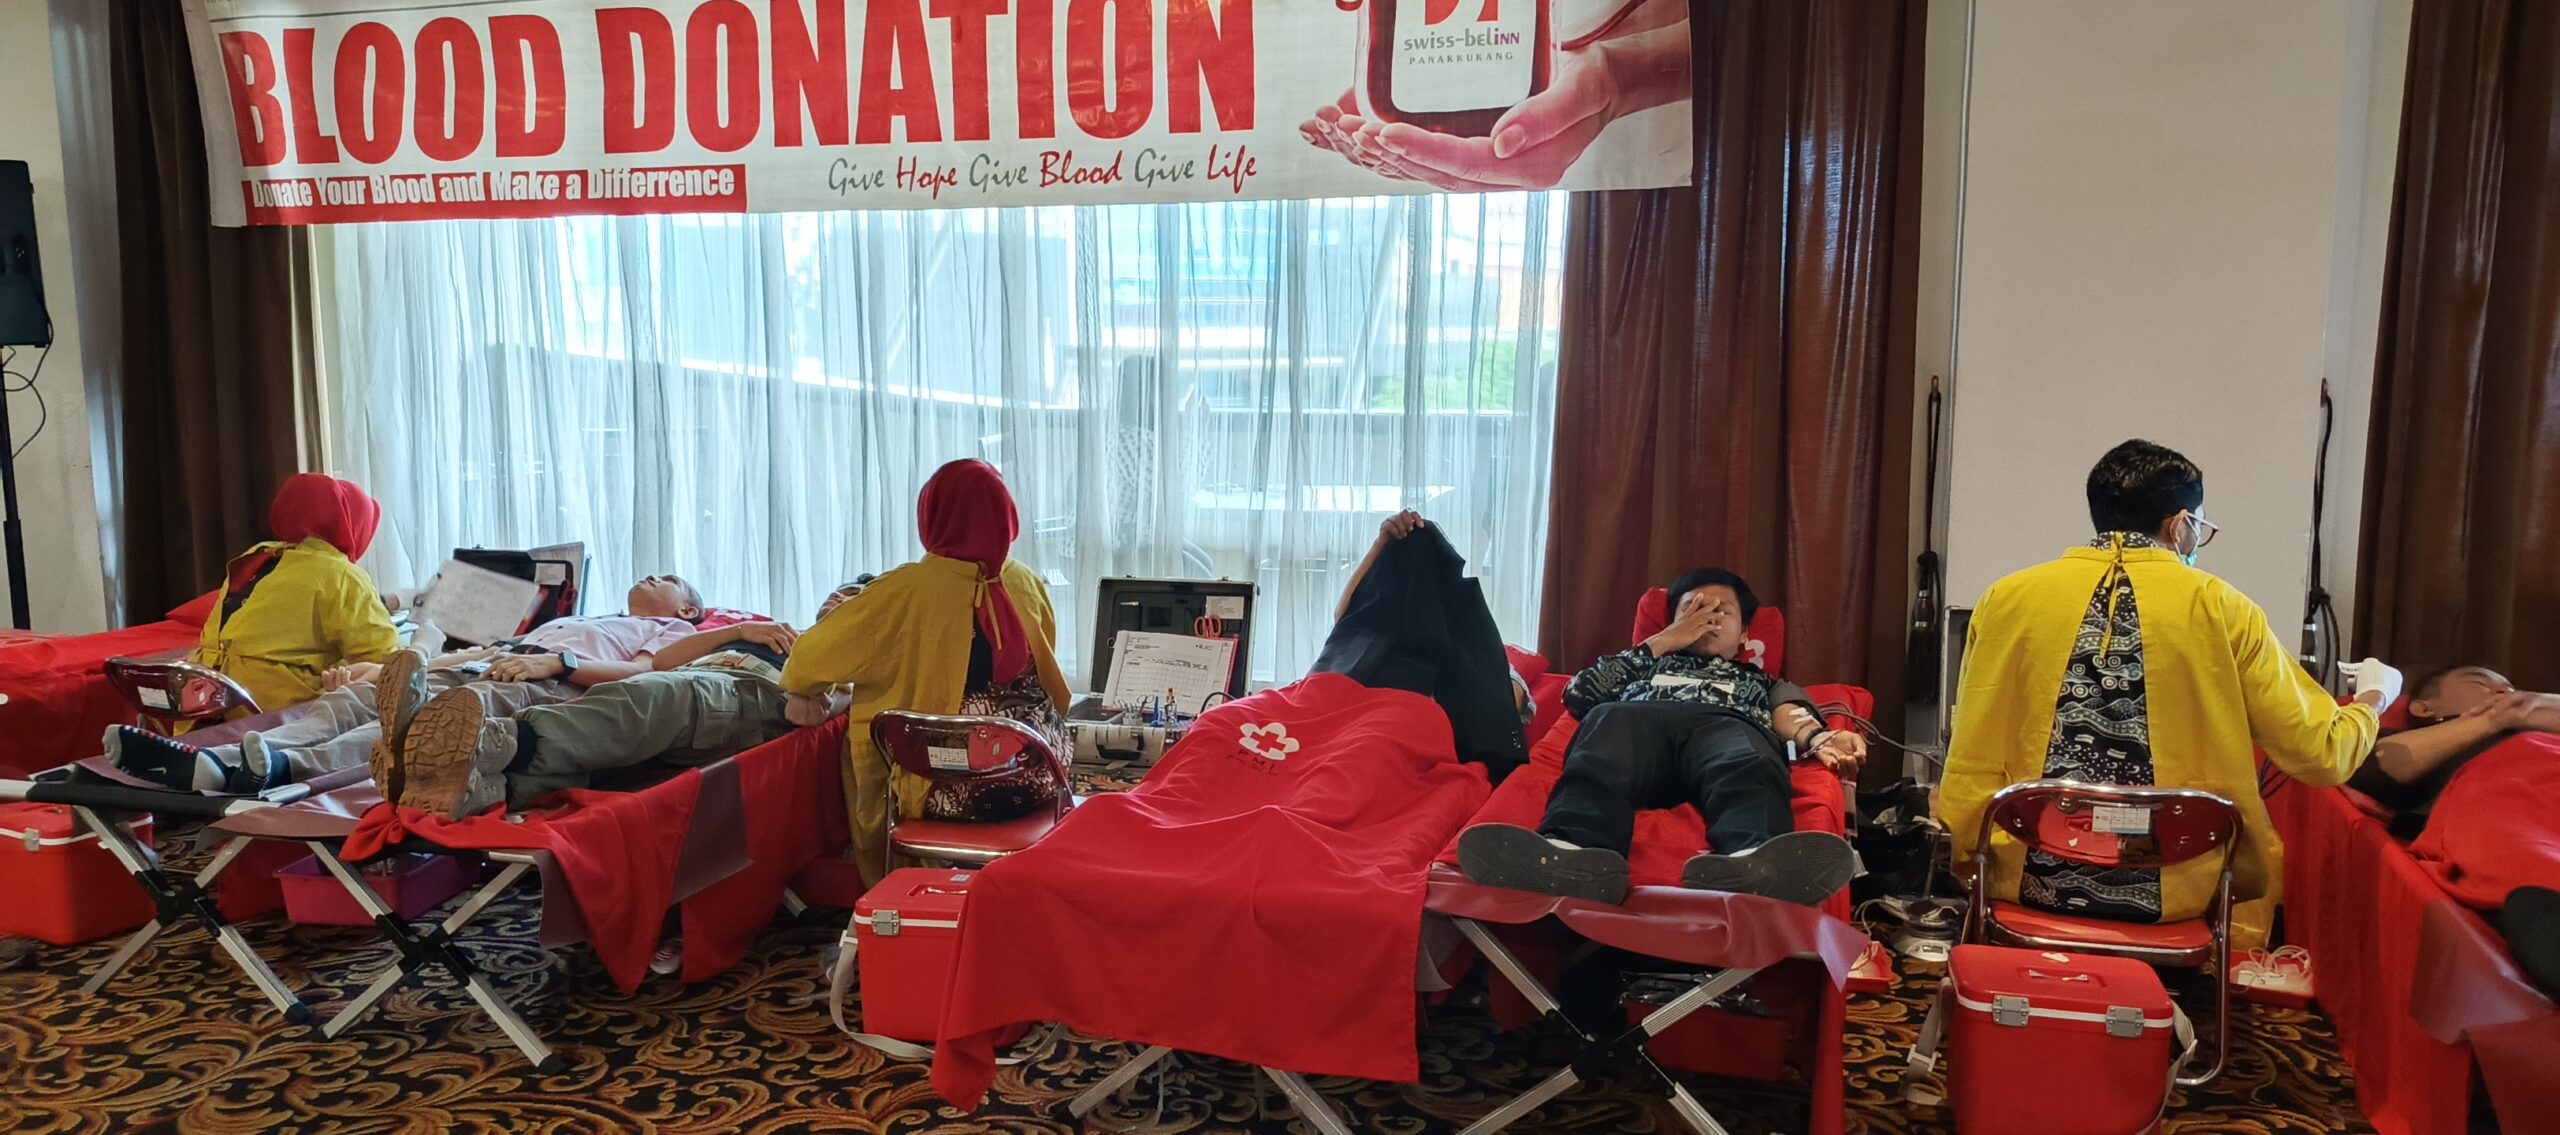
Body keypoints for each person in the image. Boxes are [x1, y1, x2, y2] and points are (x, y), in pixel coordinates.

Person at [1940, 439, 2393, 950]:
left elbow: (1971, 733)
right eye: (2200, 527)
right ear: (2180, 526)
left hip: (2021, 874)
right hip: (2179, 891)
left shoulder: (2005, 598)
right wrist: (2373, 696)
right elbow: (2322, 754)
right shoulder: (2224, 609)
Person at [1456, 567, 1863, 906]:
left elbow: (1790, 713)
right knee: (1605, 733)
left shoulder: (1760, 680)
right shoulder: (1643, 664)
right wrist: (1666, 640)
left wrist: (1818, 737)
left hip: (1726, 724)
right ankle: (1572, 852)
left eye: (1722, 611)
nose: (1708, 619)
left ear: (1743, 635)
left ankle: (1753, 859)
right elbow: (1578, 695)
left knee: (1749, 758)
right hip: (1638, 722)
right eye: (1694, 609)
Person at [106, 574, 715, 794]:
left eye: (666, 577)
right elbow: (484, 650)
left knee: (410, 724)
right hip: (494, 661)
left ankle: (279, 771)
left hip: (537, 683)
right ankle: (222, 760)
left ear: (687, 609)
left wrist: (557, 664)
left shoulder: (667, 629)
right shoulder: (583, 617)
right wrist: (393, 669)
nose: (649, 575)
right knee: (357, 696)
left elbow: (646, 674)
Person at [780, 461, 1074, 885]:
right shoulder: (1025, 582)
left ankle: (904, 894)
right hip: (1040, 780)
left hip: (943, 794)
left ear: (931, 517)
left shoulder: (903, 592)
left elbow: (803, 665)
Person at [389, 581, 869, 818]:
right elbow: (666, 661)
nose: (836, 598)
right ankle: (473, 788)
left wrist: (822, 677)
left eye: (852, 596)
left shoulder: (851, 659)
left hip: (743, 692)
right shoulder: (775, 631)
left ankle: (484, 741)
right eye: (836, 590)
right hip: (701, 681)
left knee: (644, 698)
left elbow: (806, 712)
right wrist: (738, 631)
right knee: (618, 743)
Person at [1313, 509, 1530, 781]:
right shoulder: (1367, 644)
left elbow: (1507, 704)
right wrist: (1381, 544)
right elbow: (1345, 620)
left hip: (1385, 745)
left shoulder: (1476, 661)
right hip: (1331, 734)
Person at [186, 474, 400, 722]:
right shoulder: (341, 575)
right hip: (267, 712)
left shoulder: (256, 557)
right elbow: (388, 663)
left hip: (200, 699)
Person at [2346, 666, 2560, 834]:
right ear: (2425, 708)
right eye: (2480, 682)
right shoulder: (2417, 745)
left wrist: (2540, 704)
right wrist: (2493, 719)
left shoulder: (2536, 723)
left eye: (2511, 688)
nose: (2507, 692)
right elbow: (2374, 766)